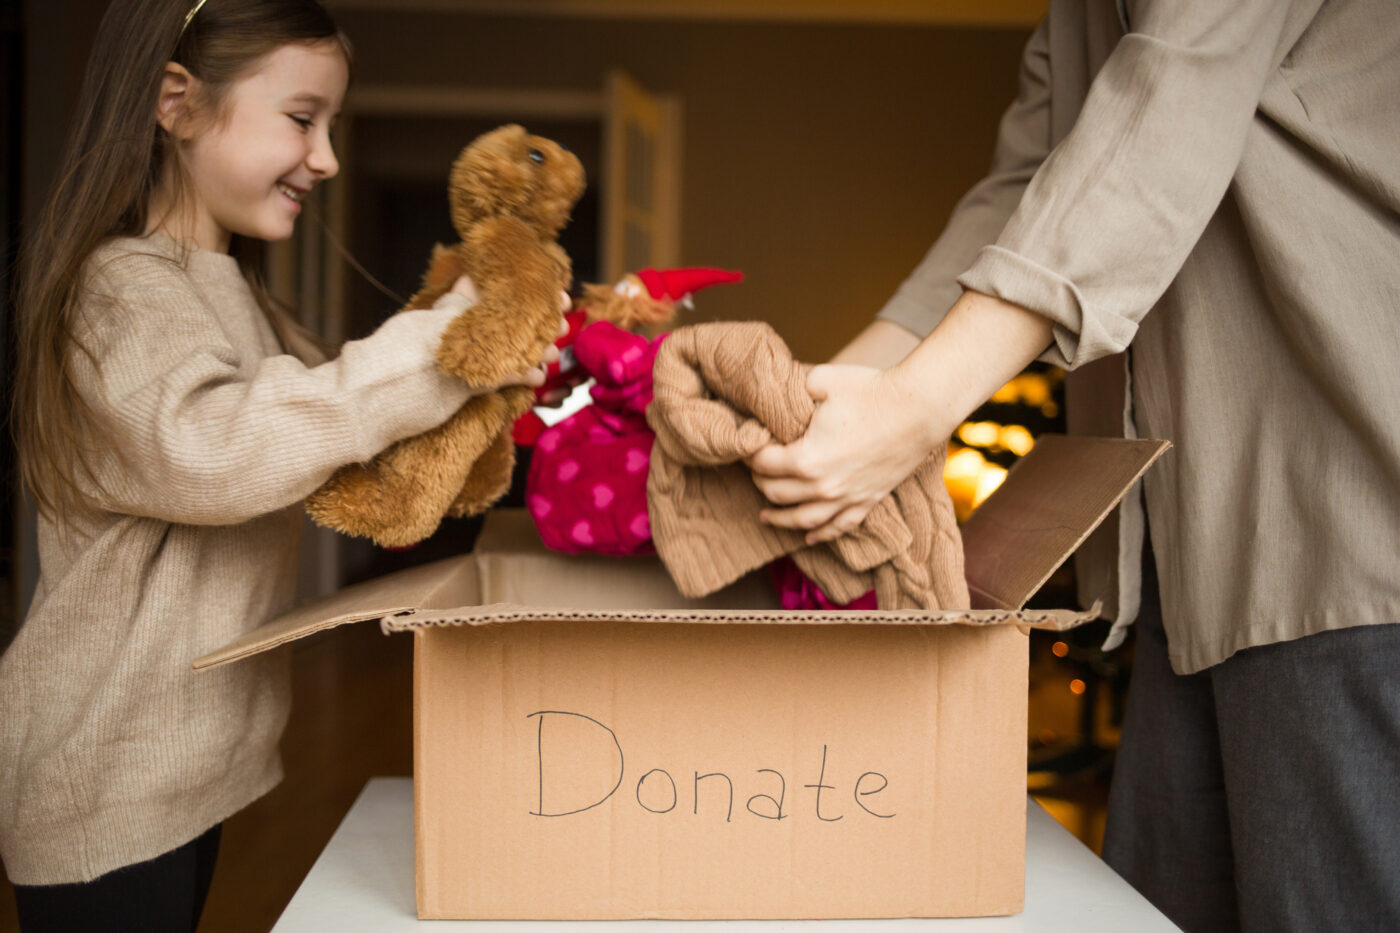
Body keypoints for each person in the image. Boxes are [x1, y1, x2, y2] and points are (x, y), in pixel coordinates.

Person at [748, 2, 1400, 931]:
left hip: (1350, 529)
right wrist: (830, 399)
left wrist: (915, 407)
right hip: (1188, 554)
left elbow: (1169, 108)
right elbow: (1023, 193)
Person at [1, 1, 561, 930]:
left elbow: (335, 433)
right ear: (175, 104)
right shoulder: (122, 290)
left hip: (182, 771)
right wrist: (439, 349)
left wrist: (486, 359)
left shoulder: (237, 300)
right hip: (102, 778)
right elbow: (217, 451)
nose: (327, 156)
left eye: (330, 125)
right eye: (303, 119)